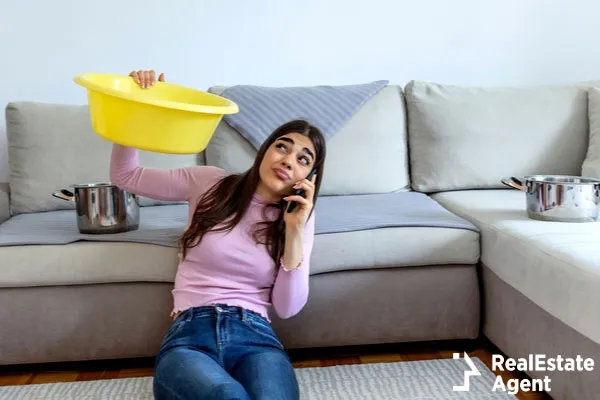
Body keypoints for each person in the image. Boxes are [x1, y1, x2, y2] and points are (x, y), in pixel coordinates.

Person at [110, 70, 327, 400]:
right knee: (227, 395)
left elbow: (286, 308)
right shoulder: (209, 182)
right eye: (282, 147)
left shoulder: (298, 220)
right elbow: (126, 175)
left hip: (257, 338)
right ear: (265, 150)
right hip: (190, 334)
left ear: (308, 177)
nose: (287, 160)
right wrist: (136, 102)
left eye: (302, 159)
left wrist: (295, 232)